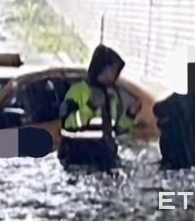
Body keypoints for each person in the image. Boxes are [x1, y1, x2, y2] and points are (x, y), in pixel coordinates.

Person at [57, 44, 139, 172]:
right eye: (114, 69)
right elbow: (68, 126)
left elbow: (117, 130)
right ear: (103, 68)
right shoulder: (77, 91)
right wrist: (91, 106)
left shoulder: (112, 95)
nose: (117, 75)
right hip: (79, 162)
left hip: (105, 161)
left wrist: (130, 114)